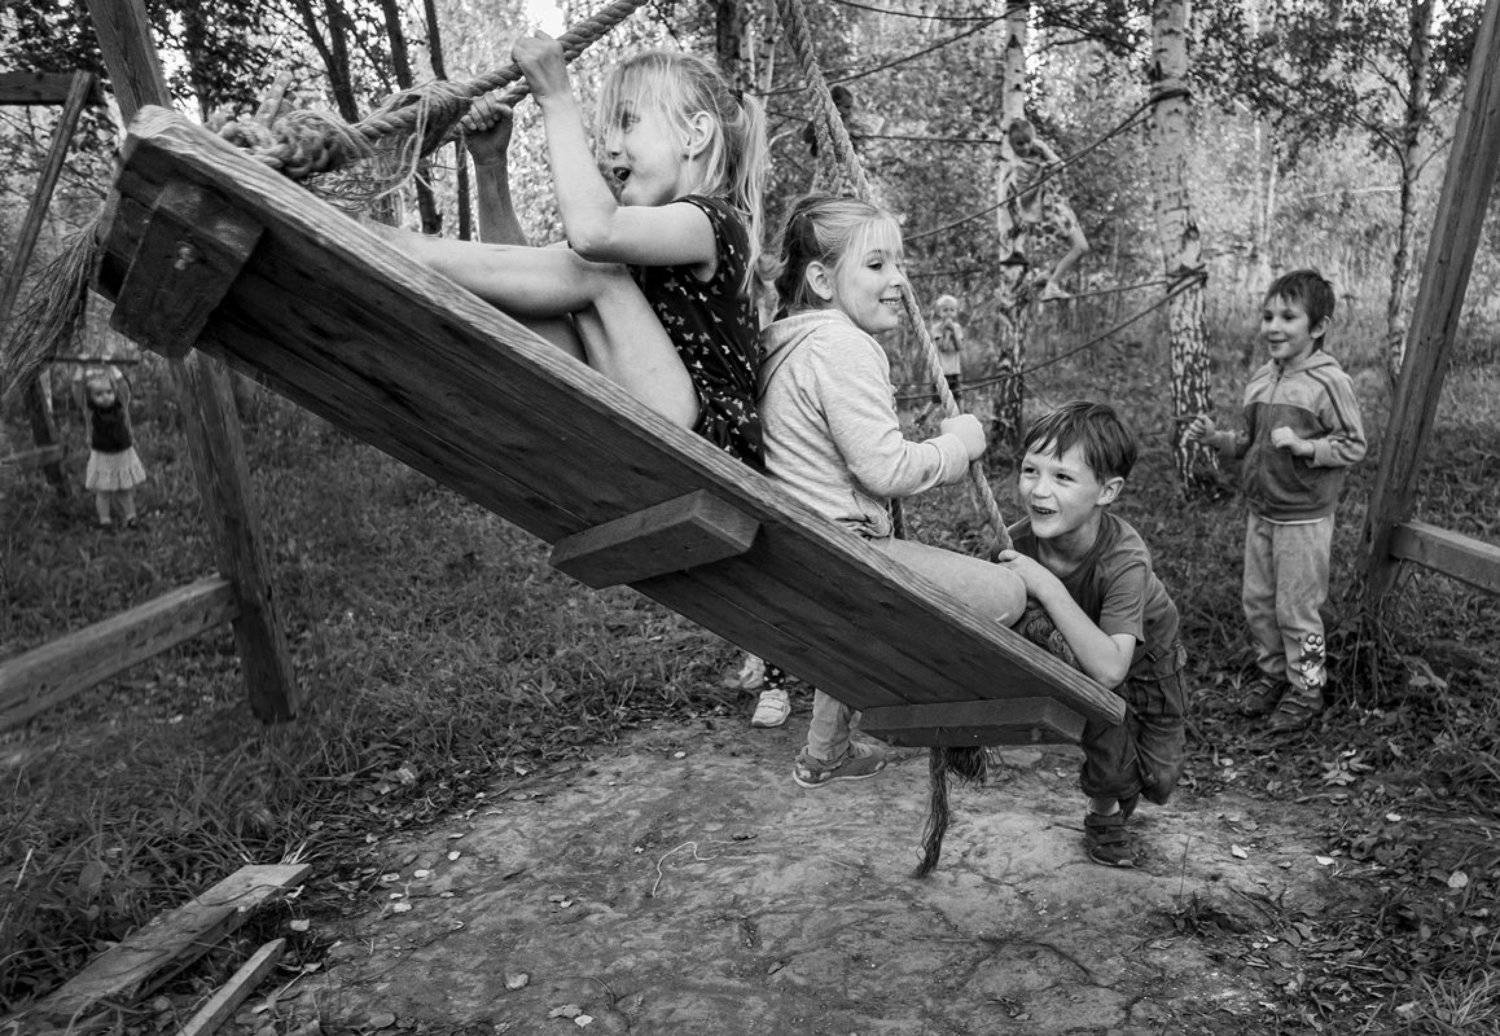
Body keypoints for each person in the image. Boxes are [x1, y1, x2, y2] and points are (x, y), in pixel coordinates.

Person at [380, 35, 768, 468]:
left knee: (595, 268)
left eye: (628, 122)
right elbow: (525, 279)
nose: (611, 146)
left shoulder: (714, 221)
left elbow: (593, 234)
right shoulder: (636, 247)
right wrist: (491, 169)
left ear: (695, 134)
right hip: (650, 423)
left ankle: (407, 250)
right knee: (556, 286)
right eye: (608, 131)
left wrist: (556, 98)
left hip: (713, 448)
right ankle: (406, 250)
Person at [759, 194, 1028, 789]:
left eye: (899, 263)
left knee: (860, 612)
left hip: (804, 553)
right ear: (822, 280)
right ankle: (939, 718)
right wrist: (957, 445)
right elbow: (885, 469)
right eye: (877, 264)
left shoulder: (786, 342)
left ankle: (825, 752)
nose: (899, 280)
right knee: (1006, 592)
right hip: (842, 556)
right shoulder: (843, 344)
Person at [996, 401, 1187, 868]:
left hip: (1148, 659)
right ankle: (1104, 814)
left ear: (1107, 491)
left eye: (1063, 477)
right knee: (1105, 729)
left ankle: (1128, 778)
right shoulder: (1014, 545)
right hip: (1080, 657)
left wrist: (1045, 584)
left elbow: (1113, 667)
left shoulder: (1124, 558)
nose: (1039, 490)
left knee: (1160, 780)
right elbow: (1099, 679)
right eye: (1030, 470)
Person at [1185, 269, 1366, 734]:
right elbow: (1247, 442)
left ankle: (1307, 687)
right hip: (1261, 512)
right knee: (1259, 603)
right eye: (1268, 316)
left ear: (1319, 327)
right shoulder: (1262, 379)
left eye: (1288, 317)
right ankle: (1273, 674)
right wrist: (1215, 439)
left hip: (1303, 518)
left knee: (1296, 608)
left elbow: (1353, 444)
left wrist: (1307, 447)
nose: (1273, 327)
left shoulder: (1328, 382)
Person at [1001, 117, 1089, 302]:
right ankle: (1051, 284)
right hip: (1048, 212)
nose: (1025, 147)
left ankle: (1047, 277)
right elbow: (1023, 200)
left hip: (1059, 204)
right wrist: (1040, 178)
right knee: (1080, 247)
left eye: (1028, 142)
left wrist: (1045, 149)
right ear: (1011, 144)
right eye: (1019, 144)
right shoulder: (1018, 167)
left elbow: (1060, 166)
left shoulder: (1038, 149)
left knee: (1081, 248)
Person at [75, 367, 146, 529]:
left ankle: (131, 517)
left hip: (122, 453)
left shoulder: (121, 406)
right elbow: (78, 393)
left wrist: (113, 368)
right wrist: (80, 370)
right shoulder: (90, 411)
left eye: (109, 392)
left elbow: (123, 389)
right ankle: (104, 520)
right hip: (102, 454)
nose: (105, 397)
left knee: (125, 489)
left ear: (114, 392)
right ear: (91, 397)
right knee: (103, 491)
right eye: (98, 394)